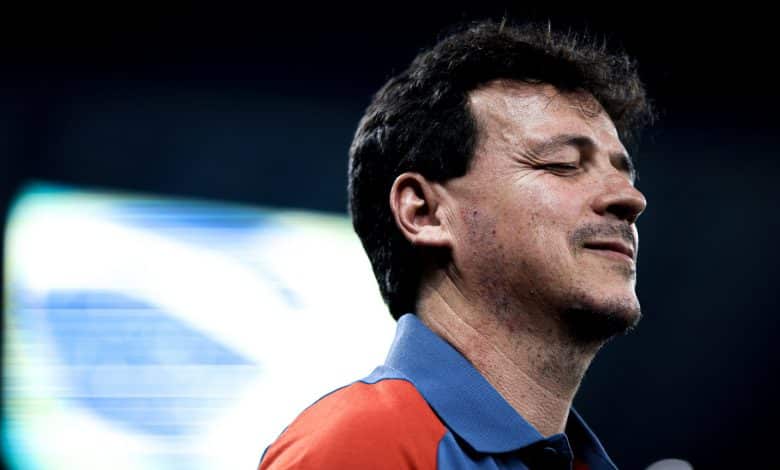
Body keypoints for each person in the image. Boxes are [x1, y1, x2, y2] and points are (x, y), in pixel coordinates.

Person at [259, 18, 653, 469]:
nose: (631, 199)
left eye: (624, 173)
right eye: (563, 163)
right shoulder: (361, 444)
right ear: (423, 213)